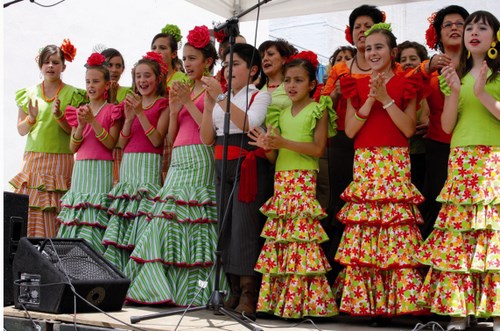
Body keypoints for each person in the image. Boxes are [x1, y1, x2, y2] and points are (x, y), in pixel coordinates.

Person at [333, 23, 426, 320]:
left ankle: (399, 303)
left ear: (393, 52)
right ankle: (366, 303)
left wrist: (385, 97)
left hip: (395, 161)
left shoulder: (407, 83)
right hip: (366, 162)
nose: (372, 52)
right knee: (367, 230)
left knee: (394, 229)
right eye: (368, 48)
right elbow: (349, 130)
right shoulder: (353, 84)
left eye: (379, 47)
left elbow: (409, 128)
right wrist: (371, 97)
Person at [124, 25, 222, 306]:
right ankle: (161, 289)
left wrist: (186, 103)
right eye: (187, 58)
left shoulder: (212, 88)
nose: (188, 64)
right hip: (178, 156)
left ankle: (197, 289)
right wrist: (176, 107)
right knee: (164, 222)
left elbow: (208, 137)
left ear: (208, 62)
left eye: (193, 59)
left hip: (199, 158)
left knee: (195, 225)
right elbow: (169, 135)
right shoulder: (185, 88)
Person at [414, 11, 500, 331]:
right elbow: (447, 125)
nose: (472, 32)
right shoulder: (456, 74)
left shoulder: (499, 74)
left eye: (482, 27)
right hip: (461, 161)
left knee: (491, 236)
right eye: (469, 28)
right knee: (458, 237)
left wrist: (481, 94)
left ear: (495, 37)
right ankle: (457, 312)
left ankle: (495, 314)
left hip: (494, 160)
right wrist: (452, 91)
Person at [249, 51, 338, 319]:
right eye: (288, 80)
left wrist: (283, 143)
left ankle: (305, 304)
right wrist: (266, 147)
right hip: (282, 181)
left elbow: (318, 148)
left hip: (303, 180)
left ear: (312, 84)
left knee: (302, 242)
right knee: (283, 242)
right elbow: (274, 156)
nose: (291, 85)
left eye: (298, 80)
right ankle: (280, 302)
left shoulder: (318, 108)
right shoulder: (279, 113)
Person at [200, 43, 273, 320]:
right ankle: (231, 288)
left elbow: (249, 125)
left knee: (245, 225)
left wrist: (219, 98)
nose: (228, 69)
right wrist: (210, 104)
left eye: (235, 64)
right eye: (225, 64)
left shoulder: (259, 96)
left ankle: (248, 292)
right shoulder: (221, 98)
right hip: (221, 163)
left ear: (253, 69)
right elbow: (207, 137)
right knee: (225, 225)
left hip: (246, 164)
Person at [320, 4, 387, 285]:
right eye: (357, 26)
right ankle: (339, 281)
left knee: (375, 212)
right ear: (351, 32)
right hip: (342, 143)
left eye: (368, 26)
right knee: (341, 209)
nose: (362, 31)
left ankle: (374, 279)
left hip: (378, 146)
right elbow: (322, 107)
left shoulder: (388, 65)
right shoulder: (339, 68)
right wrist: (334, 94)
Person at [10, 40, 85, 237]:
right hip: (34, 159)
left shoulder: (73, 94)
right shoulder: (28, 93)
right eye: (46, 62)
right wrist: (31, 118)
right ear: (40, 65)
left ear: (63, 66)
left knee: (56, 208)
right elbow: (21, 130)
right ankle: (31, 255)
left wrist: (59, 115)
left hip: (61, 160)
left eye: (55, 62)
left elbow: (74, 132)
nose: (50, 66)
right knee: (33, 208)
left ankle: (53, 258)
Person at [102, 52, 169, 271]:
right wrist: (129, 118)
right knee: (124, 220)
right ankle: (119, 271)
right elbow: (121, 142)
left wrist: (140, 113)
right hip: (128, 165)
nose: (142, 81)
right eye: (138, 76)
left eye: (147, 75)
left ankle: (140, 271)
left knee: (143, 219)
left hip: (148, 167)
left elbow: (157, 139)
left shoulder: (162, 104)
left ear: (157, 78)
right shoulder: (127, 105)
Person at [57, 53, 122, 253]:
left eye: (95, 81)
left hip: (100, 169)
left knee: (94, 214)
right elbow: (73, 148)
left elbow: (111, 143)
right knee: (77, 214)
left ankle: (92, 257)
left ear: (106, 85)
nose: (91, 85)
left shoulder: (112, 110)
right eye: (88, 81)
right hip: (82, 170)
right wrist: (81, 125)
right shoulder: (80, 111)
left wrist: (93, 121)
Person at [418, 5, 470, 239]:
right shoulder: (430, 70)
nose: (454, 28)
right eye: (447, 24)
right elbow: (409, 89)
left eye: (460, 23)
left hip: (473, 148)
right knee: (437, 211)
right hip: (439, 146)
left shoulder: (481, 67)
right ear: (438, 33)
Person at [151, 24, 188, 181]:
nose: (157, 51)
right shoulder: (149, 79)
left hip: (173, 137)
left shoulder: (183, 78)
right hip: (152, 137)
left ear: (174, 54)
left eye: (162, 48)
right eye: (154, 48)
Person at [396, 40, 430, 193]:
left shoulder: (431, 83)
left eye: (413, 59)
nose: (408, 63)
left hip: (425, 152)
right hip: (400, 154)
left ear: (422, 62)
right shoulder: (395, 87)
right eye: (403, 60)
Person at [100, 48, 130, 185]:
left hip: (120, 152)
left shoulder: (128, 93)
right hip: (98, 152)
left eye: (118, 66)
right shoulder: (91, 93)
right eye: (109, 65)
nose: (114, 70)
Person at [258, 39, 297, 111]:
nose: (265, 59)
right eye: (262, 57)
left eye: (270, 54)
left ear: (284, 59)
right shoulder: (256, 89)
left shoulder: (294, 86)